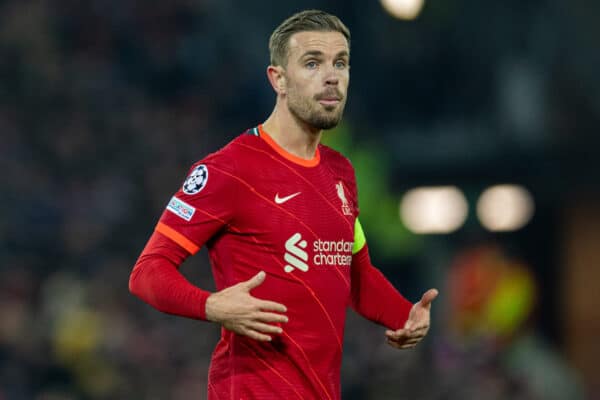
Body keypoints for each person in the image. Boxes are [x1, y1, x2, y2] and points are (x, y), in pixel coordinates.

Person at [129, 9, 438, 399]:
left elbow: (355, 275)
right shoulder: (229, 169)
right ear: (278, 79)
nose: (332, 76)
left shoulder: (341, 172)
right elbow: (147, 272)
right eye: (312, 63)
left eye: (340, 63)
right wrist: (211, 305)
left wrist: (404, 315)